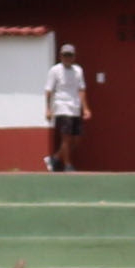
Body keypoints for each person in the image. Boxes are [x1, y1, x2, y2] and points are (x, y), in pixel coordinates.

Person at [44, 44, 88, 172]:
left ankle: (55, 158)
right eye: (65, 55)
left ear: (74, 56)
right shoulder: (55, 70)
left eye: (70, 55)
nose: (67, 58)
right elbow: (49, 90)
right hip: (61, 106)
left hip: (75, 107)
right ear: (61, 56)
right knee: (66, 137)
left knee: (76, 139)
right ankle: (67, 165)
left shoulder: (78, 70)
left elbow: (81, 89)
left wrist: (85, 108)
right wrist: (48, 109)